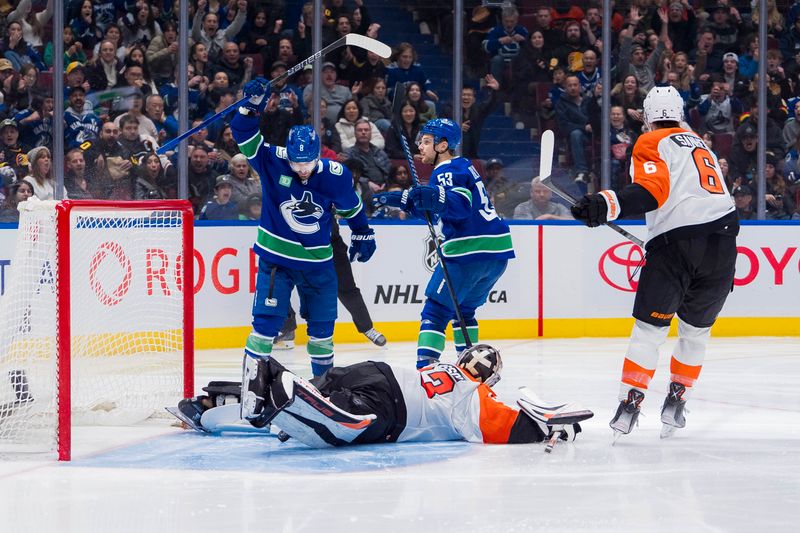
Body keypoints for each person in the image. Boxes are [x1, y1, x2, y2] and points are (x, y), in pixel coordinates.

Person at [569, 86, 739, 439]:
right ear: (680, 114)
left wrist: (603, 204)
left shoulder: (651, 141)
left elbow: (651, 191)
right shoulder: (699, 143)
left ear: (647, 118)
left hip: (678, 245)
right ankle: (677, 400)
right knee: (696, 331)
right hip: (723, 244)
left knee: (650, 330)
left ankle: (629, 404)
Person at [231, 77, 377, 378]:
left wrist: (362, 231)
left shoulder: (335, 174)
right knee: (265, 328)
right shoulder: (273, 160)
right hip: (276, 262)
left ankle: (323, 387)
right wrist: (251, 106)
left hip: (318, 265)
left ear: (318, 154)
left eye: (307, 163)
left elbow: (352, 206)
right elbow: (243, 134)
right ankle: (251, 385)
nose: (302, 169)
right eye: (297, 163)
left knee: (323, 332)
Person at [171, 344, 591, 448]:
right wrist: (551, 431)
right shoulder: (476, 395)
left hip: (374, 370)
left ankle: (212, 404)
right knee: (342, 429)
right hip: (390, 406)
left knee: (311, 404)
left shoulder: (439, 367)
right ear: (490, 379)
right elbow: (513, 428)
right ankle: (284, 392)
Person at [374, 118, 515, 368]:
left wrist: (433, 196)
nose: (421, 147)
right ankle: (472, 369)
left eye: (427, 142)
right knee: (463, 312)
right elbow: (437, 208)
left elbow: (458, 207)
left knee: (436, 312)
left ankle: (426, 372)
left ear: (443, 146)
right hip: (496, 253)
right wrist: (400, 199)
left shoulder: (445, 171)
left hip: (468, 252)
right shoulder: (463, 167)